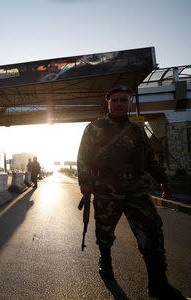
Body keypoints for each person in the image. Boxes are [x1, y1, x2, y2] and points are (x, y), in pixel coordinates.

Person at [77, 86, 184, 299]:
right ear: (108, 103)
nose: (119, 103)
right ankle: (105, 261)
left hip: (136, 191)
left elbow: (150, 160)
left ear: (130, 103)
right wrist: (85, 183)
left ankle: (158, 284)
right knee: (105, 233)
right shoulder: (94, 128)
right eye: (114, 100)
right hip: (106, 191)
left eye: (123, 100)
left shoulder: (137, 130)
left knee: (152, 233)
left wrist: (164, 181)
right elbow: (83, 157)